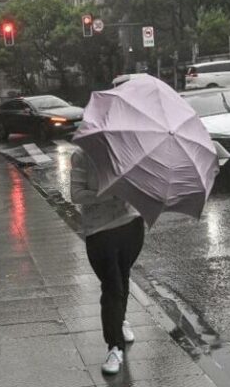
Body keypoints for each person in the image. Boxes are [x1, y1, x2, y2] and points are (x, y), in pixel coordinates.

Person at [70, 148, 145, 375]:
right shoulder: (82, 156)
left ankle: (119, 320)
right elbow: (76, 195)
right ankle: (114, 347)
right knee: (112, 286)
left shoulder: (129, 152)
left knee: (122, 278)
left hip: (131, 224)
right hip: (99, 230)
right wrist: (110, 193)